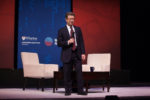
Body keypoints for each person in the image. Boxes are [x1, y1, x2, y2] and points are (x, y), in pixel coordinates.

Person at [57, 12, 87, 96]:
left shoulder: (78, 29)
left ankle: (80, 90)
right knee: (67, 74)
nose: (72, 20)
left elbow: (81, 42)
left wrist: (83, 52)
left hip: (77, 54)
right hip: (67, 54)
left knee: (79, 73)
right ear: (66, 19)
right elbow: (59, 43)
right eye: (70, 19)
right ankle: (68, 91)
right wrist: (68, 41)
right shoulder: (61, 30)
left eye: (73, 19)